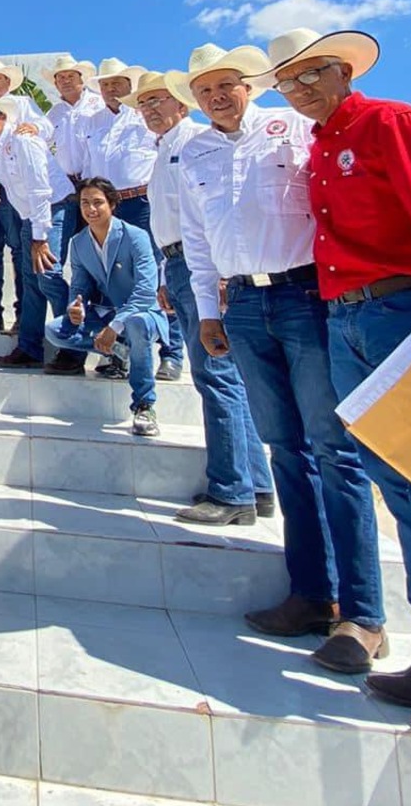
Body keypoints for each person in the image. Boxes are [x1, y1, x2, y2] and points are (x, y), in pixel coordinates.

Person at [259, 26, 411, 744]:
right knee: (399, 488)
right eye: (288, 81)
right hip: (345, 320)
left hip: (405, 313)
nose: (300, 89)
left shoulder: (392, 123)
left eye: (312, 73)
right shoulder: (319, 147)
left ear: (344, 70)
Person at [175, 43, 388, 675]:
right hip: (242, 304)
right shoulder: (195, 154)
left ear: (251, 86)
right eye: (205, 90)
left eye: (227, 84)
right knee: (285, 451)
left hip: (305, 297)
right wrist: (208, 310)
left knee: (334, 450)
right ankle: (312, 593)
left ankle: (363, 615)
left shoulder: (292, 129)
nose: (216, 96)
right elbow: (197, 239)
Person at [131, 72, 273, 525]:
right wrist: (166, 274)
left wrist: (218, 274)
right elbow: (175, 220)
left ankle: (232, 491)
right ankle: (256, 484)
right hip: (179, 263)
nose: (150, 109)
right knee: (223, 376)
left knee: (217, 376)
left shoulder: (194, 143)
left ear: (181, 104)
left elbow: (212, 215)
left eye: (158, 100)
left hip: (201, 265)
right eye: (144, 103)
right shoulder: (164, 149)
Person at [45, 177, 170, 436]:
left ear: (112, 204)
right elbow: (79, 286)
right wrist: (76, 307)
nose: (91, 209)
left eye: (98, 203)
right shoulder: (79, 242)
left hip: (140, 314)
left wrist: (115, 327)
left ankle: (144, 405)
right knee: (55, 330)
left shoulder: (136, 237)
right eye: (85, 203)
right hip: (104, 314)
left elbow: (146, 292)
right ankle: (121, 351)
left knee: (136, 324)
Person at [89, 57, 183, 380]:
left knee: (157, 275)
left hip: (143, 202)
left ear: (129, 87)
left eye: (117, 83)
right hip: (109, 207)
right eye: (105, 84)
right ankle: (120, 353)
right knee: (115, 281)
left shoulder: (144, 118)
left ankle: (172, 353)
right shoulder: (94, 123)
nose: (111, 89)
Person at [0, 95, 71, 370]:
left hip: (54, 207)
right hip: (29, 215)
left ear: (4, 118)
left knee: (48, 276)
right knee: (31, 281)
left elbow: (40, 190)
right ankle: (30, 348)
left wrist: (39, 237)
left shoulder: (23, 141)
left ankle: (72, 348)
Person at [0, 58, 51, 333]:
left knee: (19, 250)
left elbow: (47, 129)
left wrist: (36, 129)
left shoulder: (22, 104)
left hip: (18, 188)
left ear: (8, 82)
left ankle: (24, 314)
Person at [38, 55, 97, 371]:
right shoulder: (53, 113)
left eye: (70, 76)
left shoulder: (97, 107)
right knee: (49, 269)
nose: (64, 81)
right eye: (59, 77)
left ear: (81, 78)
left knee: (95, 270)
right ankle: (71, 340)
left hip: (94, 192)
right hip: (63, 193)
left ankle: (106, 344)